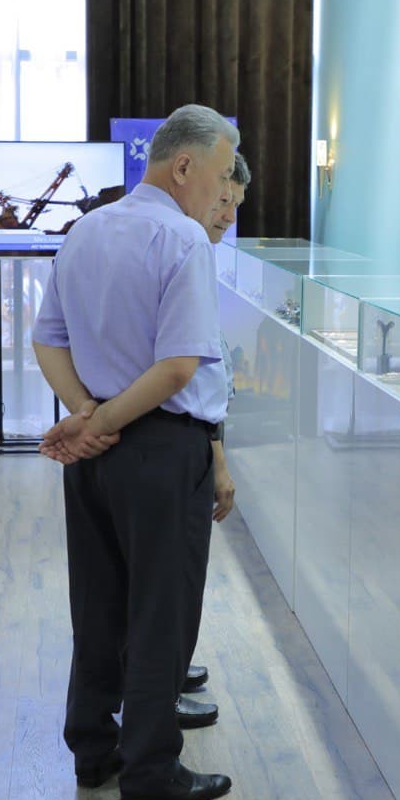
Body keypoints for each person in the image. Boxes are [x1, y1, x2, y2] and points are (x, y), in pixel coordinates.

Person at [32, 103, 236, 800]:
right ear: (183, 166)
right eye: (219, 175)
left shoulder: (85, 229)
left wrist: (84, 418)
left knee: (97, 604)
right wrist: (105, 420)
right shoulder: (183, 239)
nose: (222, 191)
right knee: (160, 612)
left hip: (94, 455)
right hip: (158, 449)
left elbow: (47, 338)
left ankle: (93, 749)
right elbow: (178, 368)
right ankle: (150, 769)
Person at [175, 152, 251, 704]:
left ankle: (169, 669)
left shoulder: (193, 253)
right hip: (176, 442)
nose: (227, 215)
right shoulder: (186, 251)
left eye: (236, 205)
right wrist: (219, 462)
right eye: (222, 199)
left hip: (174, 439)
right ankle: (160, 688)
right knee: (172, 578)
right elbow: (196, 382)